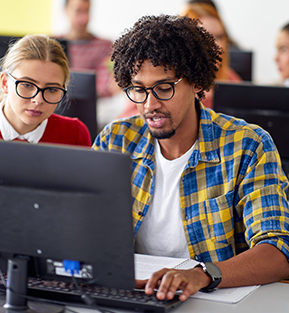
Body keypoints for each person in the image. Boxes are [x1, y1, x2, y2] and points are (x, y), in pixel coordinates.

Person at [92, 15, 289, 301]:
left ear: (197, 84)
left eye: (163, 88)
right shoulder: (116, 140)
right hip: (133, 294)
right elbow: (84, 229)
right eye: (139, 89)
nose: (150, 105)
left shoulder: (247, 145)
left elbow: (278, 250)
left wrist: (202, 275)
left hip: (211, 298)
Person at [116, 0, 241, 118]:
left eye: (219, 37)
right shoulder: (162, 76)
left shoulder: (229, 77)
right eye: (206, 37)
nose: (216, 45)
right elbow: (128, 121)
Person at [0, 34, 91, 146]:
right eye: (27, 85)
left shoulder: (75, 134)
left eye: (52, 89)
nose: (38, 101)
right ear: (5, 83)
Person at [62, 0, 116, 98]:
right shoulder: (53, 44)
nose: (84, 18)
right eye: (78, 11)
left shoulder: (104, 46)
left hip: (95, 104)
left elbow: (105, 85)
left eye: (87, 11)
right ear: (66, 11)